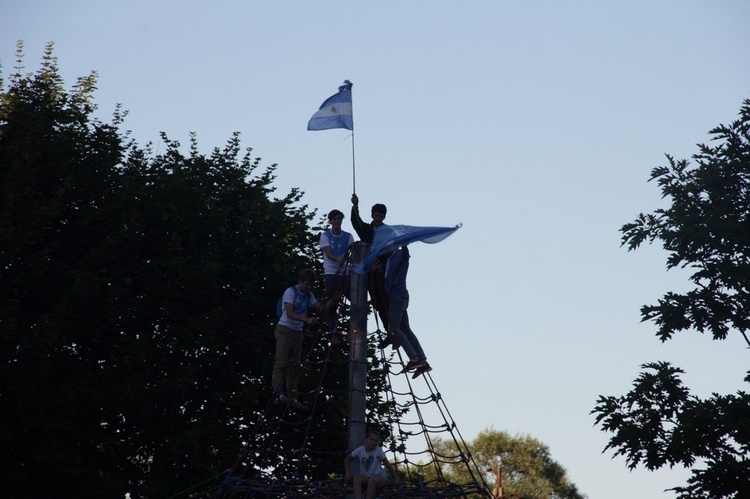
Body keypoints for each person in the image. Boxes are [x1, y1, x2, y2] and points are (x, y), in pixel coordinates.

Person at [273, 268, 329, 409]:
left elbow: (320, 308)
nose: (308, 288)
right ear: (301, 281)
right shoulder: (290, 292)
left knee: (295, 366)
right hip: (285, 329)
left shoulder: (308, 294)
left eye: (310, 285)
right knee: (281, 362)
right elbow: (290, 313)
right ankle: (278, 394)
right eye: (306, 284)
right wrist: (306, 319)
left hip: (297, 332)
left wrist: (332, 302)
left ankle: (292, 397)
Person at [386, 246, 432, 378]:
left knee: (394, 327)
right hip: (397, 296)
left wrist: (404, 245)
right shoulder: (389, 259)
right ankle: (422, 360)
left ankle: (414, 358)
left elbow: (406, 256)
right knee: (405, 328)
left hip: (398, 296)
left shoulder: (399, 255)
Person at [350, 194, 390, 332]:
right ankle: (356, 328)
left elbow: (391, 250)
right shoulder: (367, 229)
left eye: (381, 216)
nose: (378, 218)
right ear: (372, 215)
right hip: (366, 269)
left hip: (379, 271)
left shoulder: (388, 232)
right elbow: (356, 221)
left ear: (384, 217)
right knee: (359, 298)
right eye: (376, 216)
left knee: (380, 302)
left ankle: (389, 330)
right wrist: (355, 205)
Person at [320, 209, 355, 344]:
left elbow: (352, 252)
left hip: (346, 272)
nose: (337, 221)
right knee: (331, 303)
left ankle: (353, 330)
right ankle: (333, 332)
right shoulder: (325, 236)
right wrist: (339, 259)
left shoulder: (348, 236)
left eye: (339, 218)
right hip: (332, 272)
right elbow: (328, 253)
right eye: (334, 219)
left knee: (355, 301)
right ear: (330, 221)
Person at [344, 430, 399, 499]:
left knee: (372, 480)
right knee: (356, 478)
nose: (373, 442)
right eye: (371, 440)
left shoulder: (378, 451)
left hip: (379, 478)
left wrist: (395, 478)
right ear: (366, 440)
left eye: (376, 441)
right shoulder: (360, 450)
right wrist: (348, 473)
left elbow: (388, 465)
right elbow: (347, 459)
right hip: (366, 477)